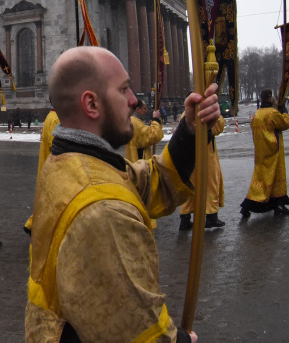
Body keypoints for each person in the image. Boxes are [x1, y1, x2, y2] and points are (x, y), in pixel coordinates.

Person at [25, 47, 218, 342]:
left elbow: (146, 182)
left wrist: (189, 131)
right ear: (91, 104)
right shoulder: (103, 210)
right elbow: (138, 330)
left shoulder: (68, 162)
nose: (133, 101)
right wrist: (180, 339)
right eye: (124, 89)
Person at [241, 89, 289, 217]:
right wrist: (284, 111)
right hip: (273, 151)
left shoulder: (258, 114)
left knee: (260, 180)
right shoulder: (272, 113)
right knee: (275, 178)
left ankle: (249, 206)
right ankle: (278, 204)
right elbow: (286, 124)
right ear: (270, 98)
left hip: (261, 152)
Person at [179, 113, 226, 230]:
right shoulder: (207, 114)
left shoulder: (185, 115)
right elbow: (217, 128)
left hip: (189, 158)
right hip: (206, 158)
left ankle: (185, 219)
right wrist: (217, 114)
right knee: (210, 186)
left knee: (189, 188)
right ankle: (211, 216)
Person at [23, 108, 60, 233]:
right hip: (54, 170)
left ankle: (34, 224)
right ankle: (35, 225)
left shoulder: (52, 116)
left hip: (48, 167)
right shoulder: (56, 119)